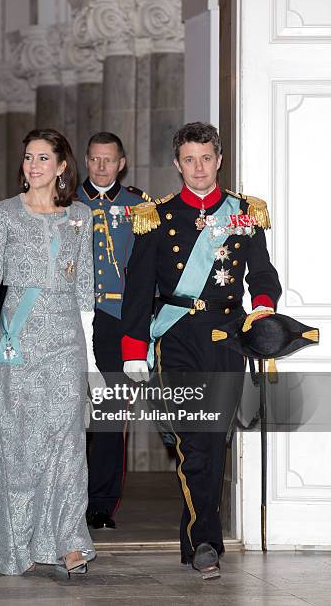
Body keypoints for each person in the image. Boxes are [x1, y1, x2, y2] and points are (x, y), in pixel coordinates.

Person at [121, 122, 282, 578]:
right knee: (194, 443)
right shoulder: (157, 216)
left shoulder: (243, 213)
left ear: (219, 160)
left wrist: (265, 309)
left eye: (206, 158)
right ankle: (206, 542)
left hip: (226, 338)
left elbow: (262, 274)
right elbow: (137, 289)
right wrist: (135, 348)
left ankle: (196, 537)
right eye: (189, 160)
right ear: (177, 164)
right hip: (176, 341)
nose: (199, 168)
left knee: (213, 443)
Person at [0, 128, 105, 576]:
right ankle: (17, 543)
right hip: (18, 340)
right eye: (29, 157)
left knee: (68, 441)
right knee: (21, 442)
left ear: (62, 166)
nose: (34, 165)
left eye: (44, 158)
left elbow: (86, 288)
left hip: (67, 340)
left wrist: (90, 362)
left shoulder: (81, 216)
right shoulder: (4, 213)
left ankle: (70, 542)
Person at [77, 132, 148, 529]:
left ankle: (100, 503)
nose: (101, 167)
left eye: (109, 160)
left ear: (122, 163)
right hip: (72, 316)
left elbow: (146, 270)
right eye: (94, 159)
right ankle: (63, 496)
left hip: (117, 319)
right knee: (67, 411)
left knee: (108, 412)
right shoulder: (67, 204)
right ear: (85, 161)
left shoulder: (139, 207)